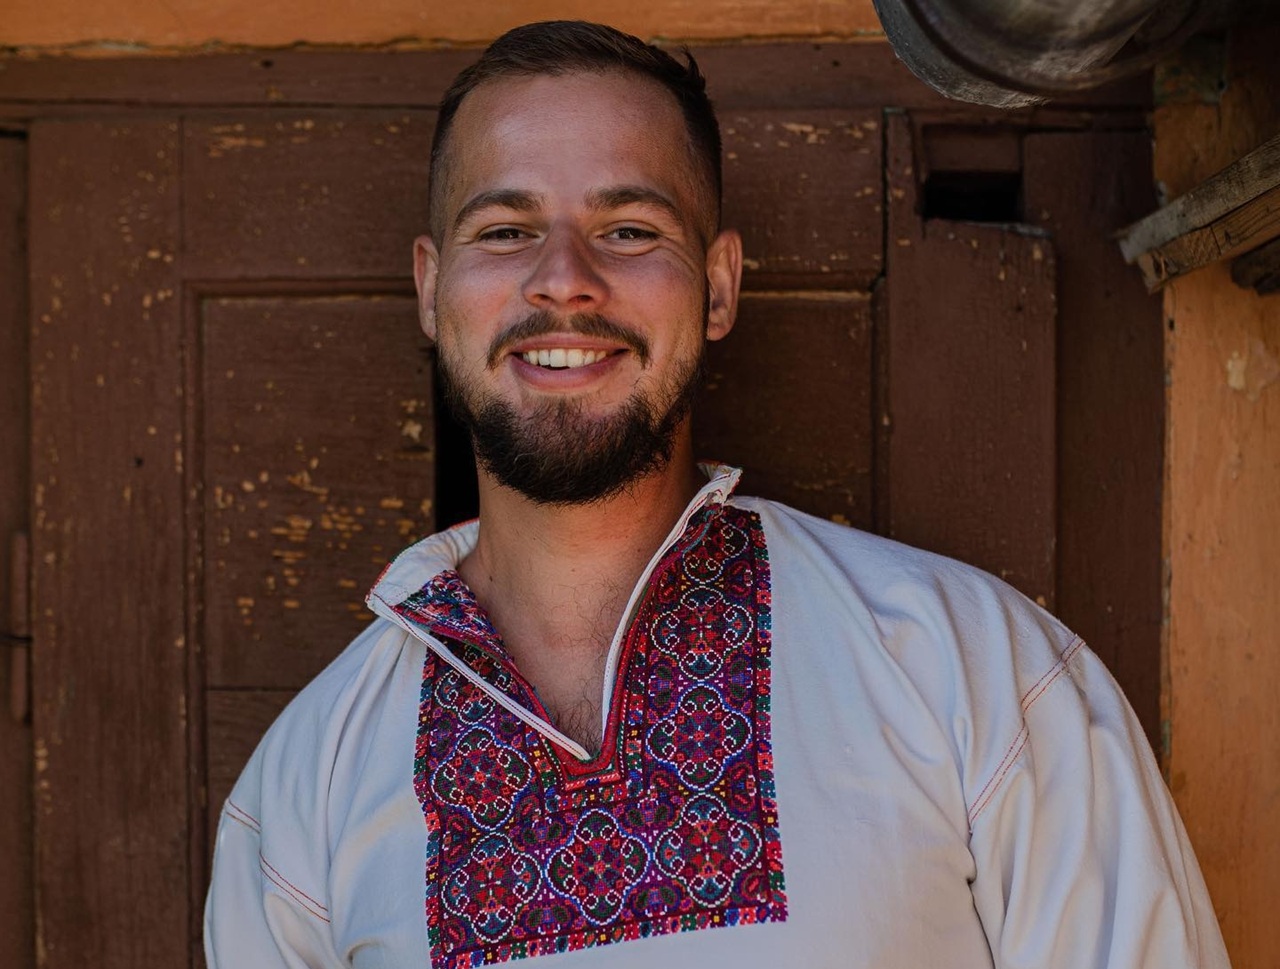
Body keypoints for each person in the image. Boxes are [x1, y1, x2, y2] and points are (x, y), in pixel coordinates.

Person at [204, 20, 1231, 969]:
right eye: (506, 230)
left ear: (720, 284)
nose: (562, 279)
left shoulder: (975, 674)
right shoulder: (305, 789)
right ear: (432, 288)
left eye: (628, 229)